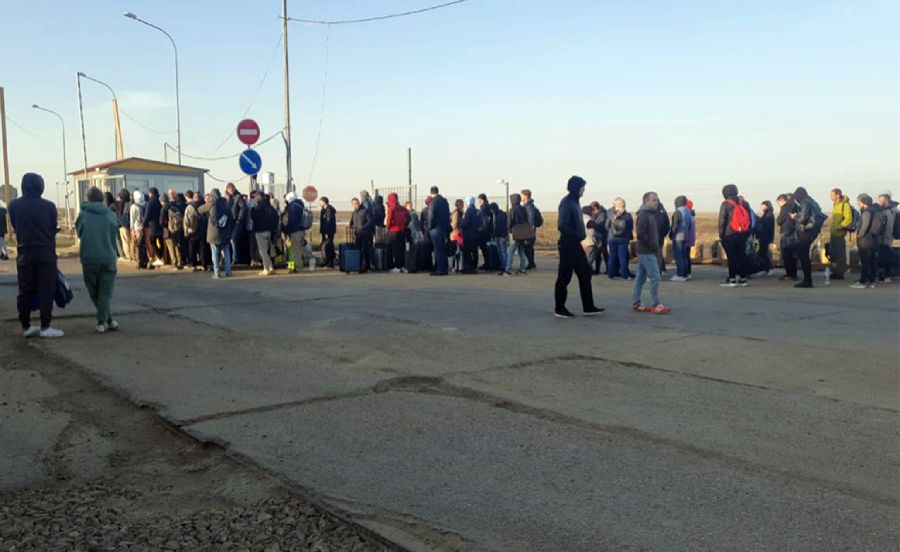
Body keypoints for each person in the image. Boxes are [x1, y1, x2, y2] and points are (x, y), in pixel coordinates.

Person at [9, 173, 63, 338]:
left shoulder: (14, 205)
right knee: (46, 289)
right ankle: (45, 326)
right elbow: (53, 227)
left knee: (25, 290)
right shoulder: (49, 206)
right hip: (46, 252)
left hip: (24, 252)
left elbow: (15, 226)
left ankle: (26, 326)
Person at [553, 176, 603, 318]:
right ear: (576, 188)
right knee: (564, 277)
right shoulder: (567, 203)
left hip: (576, 244)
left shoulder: (575, 202)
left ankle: (588, 306)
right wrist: (577, 235)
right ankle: (559, 308)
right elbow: (562, 225)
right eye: (582, 187)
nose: (584, 190)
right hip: (569, 244)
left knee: (585, 273)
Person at [75, 186, 120, 333]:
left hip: (89, 257)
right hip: (108, 256)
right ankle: (108, 319)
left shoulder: (83, 215)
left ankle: (103, 321)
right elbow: (115, 232)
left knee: (94, 291)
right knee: (105, 292)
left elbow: (79, 233)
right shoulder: (110, 215)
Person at [632, 192, 670, 314]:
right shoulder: (644, 215)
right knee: (655, 276)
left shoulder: (651, 214)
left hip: (649, 250)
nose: (656, 202)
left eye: (657, 200)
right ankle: (656, 303)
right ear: (646, 201)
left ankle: (636, 303)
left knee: (641, 277)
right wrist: (652, 244)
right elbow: (641, 233)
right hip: (646, 250)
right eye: (654, 200)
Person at [790, 186, 826, 288]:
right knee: (803, 254)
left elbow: (803, 217)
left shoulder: (805, 202)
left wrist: (795, 216)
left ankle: (807, 280)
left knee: (803, 255)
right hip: (812, 231)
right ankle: (807, 279)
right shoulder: (812, 201)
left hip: (806, 231)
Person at [718, 184, 752, 287]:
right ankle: (743, 279)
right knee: (742, 256)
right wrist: (747, 233)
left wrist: (721, 235)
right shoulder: (745, 203)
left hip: (729, 235)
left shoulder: (725, 204)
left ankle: (732, 279)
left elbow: (722, 221)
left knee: (732, 258)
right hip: (743, 234)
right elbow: (749, 219)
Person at [198, 188, 233, 279]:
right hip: (225, 233)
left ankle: (217, 272)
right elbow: (231, 218)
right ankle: (228, 271)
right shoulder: (225, 204)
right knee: (227, 253)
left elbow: (199, 209)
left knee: (215, 253)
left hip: (214, 233)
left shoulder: (211, 204)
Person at [851, 194, 880, 289]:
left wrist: (859, 235)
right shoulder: (875, 211)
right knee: (872, 261)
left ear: (863, 202)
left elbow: (865, 226)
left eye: (858, 201)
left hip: (865, 241)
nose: (857, 203)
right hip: (873, 240)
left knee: (865, 262)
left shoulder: (866, 212)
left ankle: (863, 281)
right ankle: (872, 280)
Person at [251, 193, 279, 275]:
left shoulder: (257, 208)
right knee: (266, 251)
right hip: (269, 232)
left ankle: (266, 269)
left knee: (262, 251)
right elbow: (276, 220)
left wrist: (254, 206)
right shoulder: (272, 209)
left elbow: (253, 216)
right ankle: (271, 267)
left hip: (260, 232)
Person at [606, 197, 633, 280]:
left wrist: (611, 231)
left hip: (612, 238)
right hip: (623, 239)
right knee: (623, 257)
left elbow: (606, 226)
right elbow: (630, 227)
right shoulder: (627, 216)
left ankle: (610, 275)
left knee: (612, 256)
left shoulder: (611, 215)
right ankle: (625, 275)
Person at [504, 193, 531, 276]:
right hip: (523, 234)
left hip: (515, 233)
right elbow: (527, 220)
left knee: (510, 252)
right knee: (522, 251)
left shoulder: (512, 210)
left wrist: (509, 231)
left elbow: (509, 222)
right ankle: (523, 269)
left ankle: (508, 269)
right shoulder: (523, 209)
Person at [828, 188, 853, 280]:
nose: (831, 197)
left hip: (839, 233)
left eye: (832, 195)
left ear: (838, 195)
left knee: (840, 254)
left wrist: (838, 227)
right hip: (834, 233)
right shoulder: (835, 204)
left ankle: (840, 273)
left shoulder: (845, 205)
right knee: (833, 253)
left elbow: (848, 219)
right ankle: (835, 271)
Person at [427, 186, 451, 276]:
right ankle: (444, 268)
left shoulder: (433, 202)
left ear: (431, 193)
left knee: (437, 249)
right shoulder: (445, 201)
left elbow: (431, 216)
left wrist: (429, 227)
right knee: (443, 248)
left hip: (436, 228)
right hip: (444, 228)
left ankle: (440, 269)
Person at [669, 196, 693, 281]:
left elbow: (675, 225)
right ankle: (686, 273)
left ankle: (680, 275)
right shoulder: (688, 211)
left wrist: (671, 234)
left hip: (678, 236)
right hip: (685, 235)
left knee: (679, 256)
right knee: (684, 256)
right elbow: (690, 224)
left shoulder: (678, 212)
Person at [281, 192, 306, 273]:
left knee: (294, 251)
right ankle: (293, 266)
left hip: (293, 232)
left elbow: (288, 221)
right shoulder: (300, 206)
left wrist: (285, 230)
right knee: (298, 250)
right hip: (301, 231)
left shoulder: (292, 208)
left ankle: (298, 268)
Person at [385, 192, 410, 273]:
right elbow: (409, 218)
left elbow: (389, 220)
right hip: (401, 231)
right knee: (401, 249)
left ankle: (395, 266)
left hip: (393, 231)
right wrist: (405, 225)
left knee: (393, 249)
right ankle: (402, 266)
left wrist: (388, 227)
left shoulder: (391, 208)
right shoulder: (403, 208)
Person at [876, 191, 897, 283]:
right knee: (884, 256)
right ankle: (885, 274)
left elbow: (889, 226)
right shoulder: (891, 210)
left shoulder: (888, 212)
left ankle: (888, 275)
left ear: (887, 200)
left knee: (886, 257)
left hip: (886, 238)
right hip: (886, 238)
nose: (880, 203)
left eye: (881, 200)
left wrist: (885, 238)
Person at [776, 193, 798, 281]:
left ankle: (789, 274)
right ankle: (793, 274)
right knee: (792, 256)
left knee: (786, 255)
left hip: (787, 232)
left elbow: (779, 220)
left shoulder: (785, 208)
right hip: (793, 232)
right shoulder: (794, 206)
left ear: (782, 200)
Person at [350, 197, 374, 273]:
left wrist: (363, 227)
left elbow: (370, 221)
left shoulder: (365, 211)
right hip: (357, 234)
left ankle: (366, 266)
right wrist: (352, 228)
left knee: (365, 250)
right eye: (353, 204)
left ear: (359, 203)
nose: (355, 205)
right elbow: (352, 222)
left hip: (365, 234)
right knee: (358, 250)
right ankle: (359, 265)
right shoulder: (353, 213)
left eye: (356, 203)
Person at [225, 183, 247, 264]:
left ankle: (235, 259)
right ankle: (229, 259)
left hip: (237, 222)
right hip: (229, 222)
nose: (231, 189)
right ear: (227, 189)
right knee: (228, 240)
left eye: (232, 188)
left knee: (233, 240)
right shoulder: (226, 198)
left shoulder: (238, 197)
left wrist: (239, 218)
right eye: (229, 188)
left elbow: (243, 207)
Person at [521, 190, 542, 270]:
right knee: (528, 248)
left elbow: (531, 219)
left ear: (526, 196)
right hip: (529, 230)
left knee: (528, 247)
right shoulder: (528, 205)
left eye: (522, 195)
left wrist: (529, 230)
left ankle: (531, 264)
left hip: (529, 231)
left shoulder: (529, 206)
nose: (521, 197)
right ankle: (531, 263)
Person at [164, 193, 186, 270]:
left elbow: (161, 220)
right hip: (178, 228)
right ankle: (180, 261)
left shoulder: (166, 207)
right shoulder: (178, 206)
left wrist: (165, 226)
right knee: (177, 245)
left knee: (171, 245)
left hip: (170, 229)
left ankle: (174, 262)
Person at [183, 191, 203, 271]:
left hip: (192, 230)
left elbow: (186, 221)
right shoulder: (203, 206)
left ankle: (193, 264)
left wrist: (186, 232)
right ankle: (203, 264)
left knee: (192, 248)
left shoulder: (189, 207)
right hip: (202, 230)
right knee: (201, 248)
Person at [144, 187, 163, 267]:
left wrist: (144, 223)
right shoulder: (160, 200)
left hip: (153, 225)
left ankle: (159, 257)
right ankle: (161, 256)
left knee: (153, 241)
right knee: (160, 240)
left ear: (150, 193)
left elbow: (147, 214)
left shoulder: (150, 202)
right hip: (161, 224)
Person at [461, 196, 480, 274]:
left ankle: (468, 268)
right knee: (474, 252)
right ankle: (473, 267)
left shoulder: (469, 211)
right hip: (475, 234)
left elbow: (466, 222)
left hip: (469, 234)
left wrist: (461, 224)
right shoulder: (476, 210)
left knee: (467, 252)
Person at [755, 200, 776, 274]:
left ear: (767, 206)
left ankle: (768, 268)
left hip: (766, 237)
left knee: (763, 253)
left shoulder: (768, 215)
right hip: (765, 237)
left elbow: (765, 225)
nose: (761, 207)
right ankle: (766, 268)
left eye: (762, 206)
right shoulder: (767, 214)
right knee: (762, 253)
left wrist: (758, 220)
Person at [588, 202, 608, 275]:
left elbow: (601, 226)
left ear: (595, 208)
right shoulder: (596, 214)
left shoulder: (602, 214)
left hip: (602, 236)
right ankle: (597, 269)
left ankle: (607, 269)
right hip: (597, 236)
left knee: (603, 253)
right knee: (598, 253)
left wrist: (593, 225)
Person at [114, 189, 133, 263]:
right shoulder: (130, 203)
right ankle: (132, 255)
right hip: (130, 224)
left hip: (123, 225)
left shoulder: (121, 204)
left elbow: (118, 215)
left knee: (125, 241)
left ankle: (128, 256)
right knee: (130, 240)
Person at [130, 191, 147, 268]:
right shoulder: (144, 205)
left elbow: (132, 219)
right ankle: (144, 261)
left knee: (139, 245)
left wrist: (132, 229)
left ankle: (139, 261)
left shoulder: (133, 207)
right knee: (143, 244)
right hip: (144, 226)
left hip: (137, 227)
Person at [319, 197, 337, 269]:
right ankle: (326, 261)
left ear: (324, 202)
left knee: (328, 247)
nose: (320, 204)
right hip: (325, 231)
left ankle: (330, 263)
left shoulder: (329, 210)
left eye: (320, 202)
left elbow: (328, 222)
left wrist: (326, 232)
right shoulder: (323, 210)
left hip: (328, 231)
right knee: (325, 247)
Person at [491, 202, 508, 274]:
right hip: (497, 235)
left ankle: (505, 265)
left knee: (503, 251)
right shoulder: (495, 214)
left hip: (501, 235)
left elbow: (501, 226)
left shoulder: (501, 215)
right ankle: (502, 265)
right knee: (500, 251)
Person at [476, 194, 493, 270]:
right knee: (486, 249)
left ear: (482, 200)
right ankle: (488, 263)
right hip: (489, 231)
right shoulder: (488, 207)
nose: (478, 202)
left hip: (484, 232)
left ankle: (487, 264)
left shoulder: (483, 208)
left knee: (484, 248)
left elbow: (484, 221)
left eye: (479, 200)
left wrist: (481, 230)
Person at [449, 199, 465, 272]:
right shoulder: (456, 213)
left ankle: (456, 267)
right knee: (457, 251)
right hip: (456, 235)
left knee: (456, 251)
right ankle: (456, 267)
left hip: (455, 234)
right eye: (462, 205)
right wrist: (458, 229)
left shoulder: (455, 213)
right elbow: (454, 224)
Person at [655, 200, 671, 274]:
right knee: (659, 255)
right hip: (660, 237)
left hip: (651, 237)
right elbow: (667, 226)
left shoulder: (650, 213)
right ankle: (660, 270)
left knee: (653, 255)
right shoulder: (664, 213)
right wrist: (663, 234)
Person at [685, 198, 697, 279]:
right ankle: (689, 272)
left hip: (686, 238)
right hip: (690, 239)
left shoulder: (687, 215)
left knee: (684, 256)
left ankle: (686, 272)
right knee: (687, 256)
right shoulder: (692, 215)